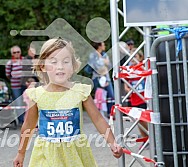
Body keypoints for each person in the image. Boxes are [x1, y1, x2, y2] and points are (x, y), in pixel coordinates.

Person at [13, 38, 123, 167]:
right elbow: (28, 126)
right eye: (53, 62)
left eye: (66, 62)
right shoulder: (37, 95)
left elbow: (98, 119)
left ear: (73, 67)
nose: (60, 66)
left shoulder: (81, 92)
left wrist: (112, 142)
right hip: (46, 156)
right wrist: (21, 153)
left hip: (75, 155)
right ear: (42, 66)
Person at [124, 48, 148, 147]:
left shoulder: (143, 68)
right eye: (131, 57)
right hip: (134, 99)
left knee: (144, 119)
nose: (133, 59)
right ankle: (145, 139)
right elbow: (125, 84)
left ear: (140, 57)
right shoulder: (129, 70)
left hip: (143, 98)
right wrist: (127, 89)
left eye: (135, 56)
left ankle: (150, 138)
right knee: (138, 121)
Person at [5, 45, 26, 125]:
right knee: (18, 103)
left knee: (27, 103)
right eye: (14, 52)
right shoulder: (9, 63)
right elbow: (7, 74)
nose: (16, 53)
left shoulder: (24, 60)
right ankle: (21, 121)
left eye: (18, 52)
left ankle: (28, 120)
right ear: (12, 54)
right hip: (15, 86)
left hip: (25, 85)